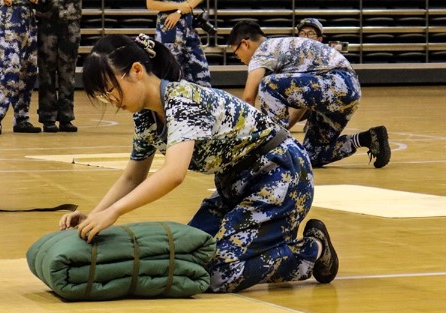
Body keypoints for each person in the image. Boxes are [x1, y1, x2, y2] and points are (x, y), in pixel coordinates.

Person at [58, 34, 339, 292]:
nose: (110, 100)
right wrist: (95, 214)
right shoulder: (144, 116)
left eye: (110, 89)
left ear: (136, 71)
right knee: (186, 257)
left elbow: (173, 174)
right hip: (236, 184)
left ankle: (312, 250)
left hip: (282, 176)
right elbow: (132, 177)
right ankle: (263, 240)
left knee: (218, 274)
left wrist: (115, 212)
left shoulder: (182, 100)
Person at [230, 20, 391, 168]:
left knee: (268, 84)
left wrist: (248, 140)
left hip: (336, 82)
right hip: (347, 90)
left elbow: (248, 97)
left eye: (237, 54)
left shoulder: (263, 50)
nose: (241, 60)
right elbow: (302, 101)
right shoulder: (283, 49)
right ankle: (368, 138)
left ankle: (274, 151)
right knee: (311, 154)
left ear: (245, 44)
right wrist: (281, 134)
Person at [0, 0, 42, 135]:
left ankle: (21, 118)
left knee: (29, 71)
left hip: (29, 15)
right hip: (11, 14)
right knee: (8, 69)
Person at [35, 0, 81, 133]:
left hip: (70, 19)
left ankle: (66, 117)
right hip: (47, 18)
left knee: (68, 73)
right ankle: (48, 117)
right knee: (46, 72)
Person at [146, 0, 211, 87]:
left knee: (202, 77)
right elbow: (151, 4)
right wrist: (179, 6)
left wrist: (179, 11)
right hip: (168, 28)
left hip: (189, 28)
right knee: (170, 77)